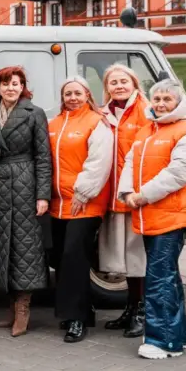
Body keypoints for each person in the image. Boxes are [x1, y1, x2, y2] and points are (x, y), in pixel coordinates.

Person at [118, 79, 186, 360]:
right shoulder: (148, 130)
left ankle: (162, 341)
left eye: (166, 99)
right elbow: (131, 162)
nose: (160, 104)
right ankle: (177, 338)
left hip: (171, 215)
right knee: (167, 278)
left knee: (158, 279)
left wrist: (142, 195)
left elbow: (180, 172)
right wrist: (127, 192)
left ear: (179, 102)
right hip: (151, 215)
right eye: (156, 99)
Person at [0, 66, 51, 338]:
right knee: (3, 246)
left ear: (23, 87)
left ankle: (23, 309)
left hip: (25, 182)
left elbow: (44, 156)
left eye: (16, 83)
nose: (11, 88)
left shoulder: (35, 114)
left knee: (25, 247)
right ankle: (11, 306)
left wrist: (43, 194)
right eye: (6, 84)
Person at [47, 76, 113, 343]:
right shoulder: (54, 123)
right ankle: (82, 309)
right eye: (67, 94)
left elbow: (99, 162)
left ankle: (77, 320)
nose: (72, 98)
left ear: (87, 95)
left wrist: (83, 192)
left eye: (77, 93)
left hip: (84, 203)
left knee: (75, 259)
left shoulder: (96, 123)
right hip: (57, 205)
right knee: (61, 260)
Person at [98, 64, 152, 338]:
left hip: (136, 196)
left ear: (134, 84)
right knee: (126, 258)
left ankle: (143, 312)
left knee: (138, 256)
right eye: (113, 82)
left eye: (123, 81)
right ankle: (131, 308)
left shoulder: (146, 110)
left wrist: (142, 190)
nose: (118, 86)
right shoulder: (105, 113)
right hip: (114, 194)